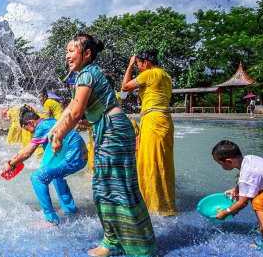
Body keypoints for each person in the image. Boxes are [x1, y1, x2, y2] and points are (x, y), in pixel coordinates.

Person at [51, 33, 156, 257]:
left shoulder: (87, 74)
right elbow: (71, 107)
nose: (67, 56)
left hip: (112, 130)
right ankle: (116, 240)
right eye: (66, 51)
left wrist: (59, 135)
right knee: (108, 188)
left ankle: (135, 247)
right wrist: (55, 129)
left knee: (114, 189)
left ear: (87, 53)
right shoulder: (86, 75)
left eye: (72, 51)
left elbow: (77, 112)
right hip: (110, 128)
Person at [1, 106, 87, 225]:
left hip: (74, 157)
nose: (31, 133)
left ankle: (51, 220)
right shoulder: (51, 121)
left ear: (31, 123)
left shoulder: (41, 128)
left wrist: (11, 163)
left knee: (37, 177)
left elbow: (27, 152)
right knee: (56, 176)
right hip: (82, 156)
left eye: (28, 130)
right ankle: (70, 210)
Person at [121, 50, 176, 216]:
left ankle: (154, 206)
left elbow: (124, 88)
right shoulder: (165, 75)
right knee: (163, 162)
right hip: (164, 120)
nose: (138, 68)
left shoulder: (150, 73)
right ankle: (165, 203)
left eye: (138, 64)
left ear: (146, 63)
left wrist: (129, 65)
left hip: (153, 121)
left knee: (150, 163)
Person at [212, 140, 263, 250]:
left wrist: (225, 212)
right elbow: (253, 178)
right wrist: (237, 188)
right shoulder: (249, 158)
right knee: (255, 196)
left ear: (228, 161)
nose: (221, 166)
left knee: (258, 201)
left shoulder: (246, 176)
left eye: (220, 164)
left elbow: (242, 202)